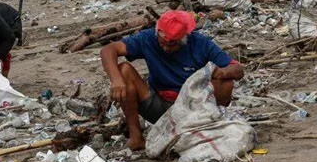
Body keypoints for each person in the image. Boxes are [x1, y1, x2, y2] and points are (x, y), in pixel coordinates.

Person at [100, 10, 244, 151]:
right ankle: (136, 137)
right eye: (162, 42)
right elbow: (108, 50)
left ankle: (210, 126)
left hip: (193, 109)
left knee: (226, 83)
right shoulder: (148, 38)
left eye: (172, 44)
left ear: (185, 38)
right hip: (158, 106)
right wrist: (116, 80)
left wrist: (222, 72)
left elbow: (237, 70)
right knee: (124, 70)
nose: (165, 47)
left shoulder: (200, 43)